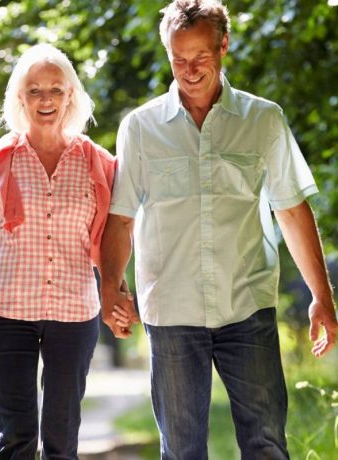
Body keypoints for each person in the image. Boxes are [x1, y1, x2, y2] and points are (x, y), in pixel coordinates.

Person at [100, 1, 338, 459]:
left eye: (200, 58)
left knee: (267, 444)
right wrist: (110, 286)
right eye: (178, 60)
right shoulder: (140, 128)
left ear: (224, 46)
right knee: (182, 450)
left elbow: (291, 210)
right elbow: (122, 217)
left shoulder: (263, 119)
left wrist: (322, 298)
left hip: (247, 306)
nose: (189, 71)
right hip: (171, 311)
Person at [0, 43, 125, 460]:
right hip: (7, 312)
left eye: (56, 90)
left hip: (74, 314)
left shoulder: (99, 163)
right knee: (16, 438)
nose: (46, 99)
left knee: (62, 441)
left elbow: (113, 240)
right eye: (34, 90)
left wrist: (120, 296)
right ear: (19, 98)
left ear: (71, 96)